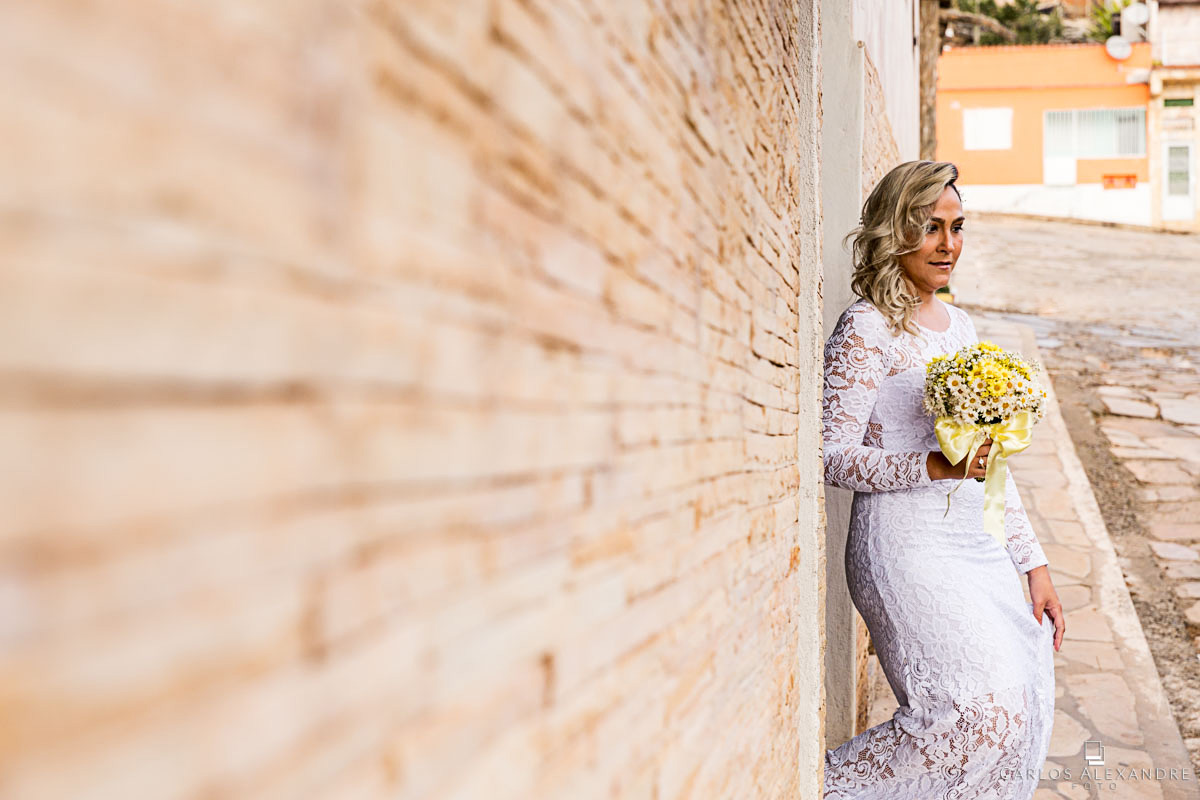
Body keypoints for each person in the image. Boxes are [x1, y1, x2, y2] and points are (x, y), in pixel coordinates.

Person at [821, 161, 1066, 798]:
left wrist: (1033, 563)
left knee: (1015, 712)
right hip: (902, 545)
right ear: (894, 230)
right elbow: (831, 454)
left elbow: (994, 465)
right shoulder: (865, 328)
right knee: (969, 716)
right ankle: (817, 788)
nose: (948, 244)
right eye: (930, 227)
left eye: (957, 228)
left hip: (974, 542)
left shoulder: (961, 328)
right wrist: (929, 466)